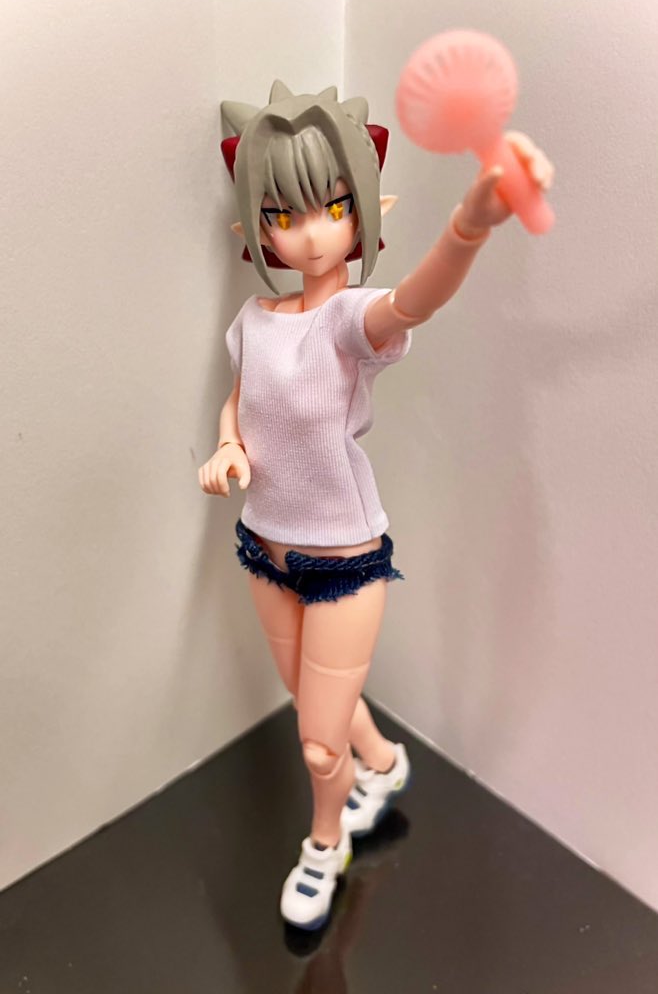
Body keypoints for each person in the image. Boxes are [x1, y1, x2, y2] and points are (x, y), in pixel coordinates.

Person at [198, 80, 554, 930]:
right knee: (310, 698)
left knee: (320, 741)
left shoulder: (352, 319)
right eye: (282, 214)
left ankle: (326, 845)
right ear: (254, 228)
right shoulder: (255, 318)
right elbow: (241, 399)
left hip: (344, 560)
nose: (309, 232)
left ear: (364, 210)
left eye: (331, 207)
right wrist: (228, 445)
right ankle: (387, 763)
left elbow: (414, 298)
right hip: (263, 546)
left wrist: (470, 224)